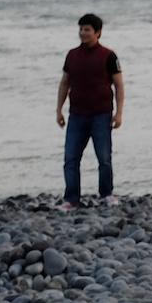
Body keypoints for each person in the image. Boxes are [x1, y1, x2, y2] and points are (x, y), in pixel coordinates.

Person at [56, 13, 124, 211]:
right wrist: (58, 110)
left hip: (101, 115)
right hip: (77, 115)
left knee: (104, 158)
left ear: (98, 33)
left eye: (87, 30)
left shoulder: (109, 56)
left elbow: (119, 85)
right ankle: (71, 199)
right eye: (81, 29)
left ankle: (107, 194)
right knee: (70, 158)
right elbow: (64, 83)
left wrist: (119, 113)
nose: (82, 33)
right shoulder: (72, 55)